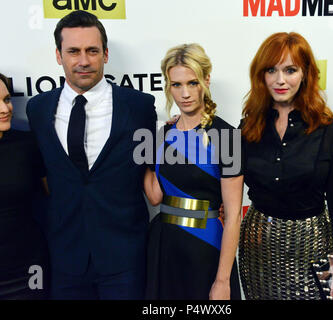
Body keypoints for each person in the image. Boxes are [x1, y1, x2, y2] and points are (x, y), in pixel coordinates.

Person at [26, 11, 157, 299]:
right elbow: (42, 175)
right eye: (73, 51)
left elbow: (154, 171)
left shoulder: (139, 107)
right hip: (63, 258)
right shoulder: (37, 109)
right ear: (59, 55)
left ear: (106, 54)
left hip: (125, 258)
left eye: (92, 51)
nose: (83, 61)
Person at [238, 32, 333, 300]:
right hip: (257, 247)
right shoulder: (248, 127)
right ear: (261, 75)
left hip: (314, 245)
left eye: (290, 70)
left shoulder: (328, 129)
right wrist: (183, 123)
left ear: (305, 73)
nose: (280, 80)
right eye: (271, 70)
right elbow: (228, 183)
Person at [144, 43, 243, 300]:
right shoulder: (162, 134)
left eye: (193, 83)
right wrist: (143, 156)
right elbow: (155, 196)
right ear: (168, 86)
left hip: (205, 246)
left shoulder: (226, 136)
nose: (185, 93)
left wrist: (222, 281)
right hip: (165, 246)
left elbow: (233, 217)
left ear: (206, 80)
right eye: (176, 85)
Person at [0, 73, 49, 299]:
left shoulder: (26, 144)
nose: (5, 109)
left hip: (29, 266)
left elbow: (54, 195)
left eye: (7, 99)